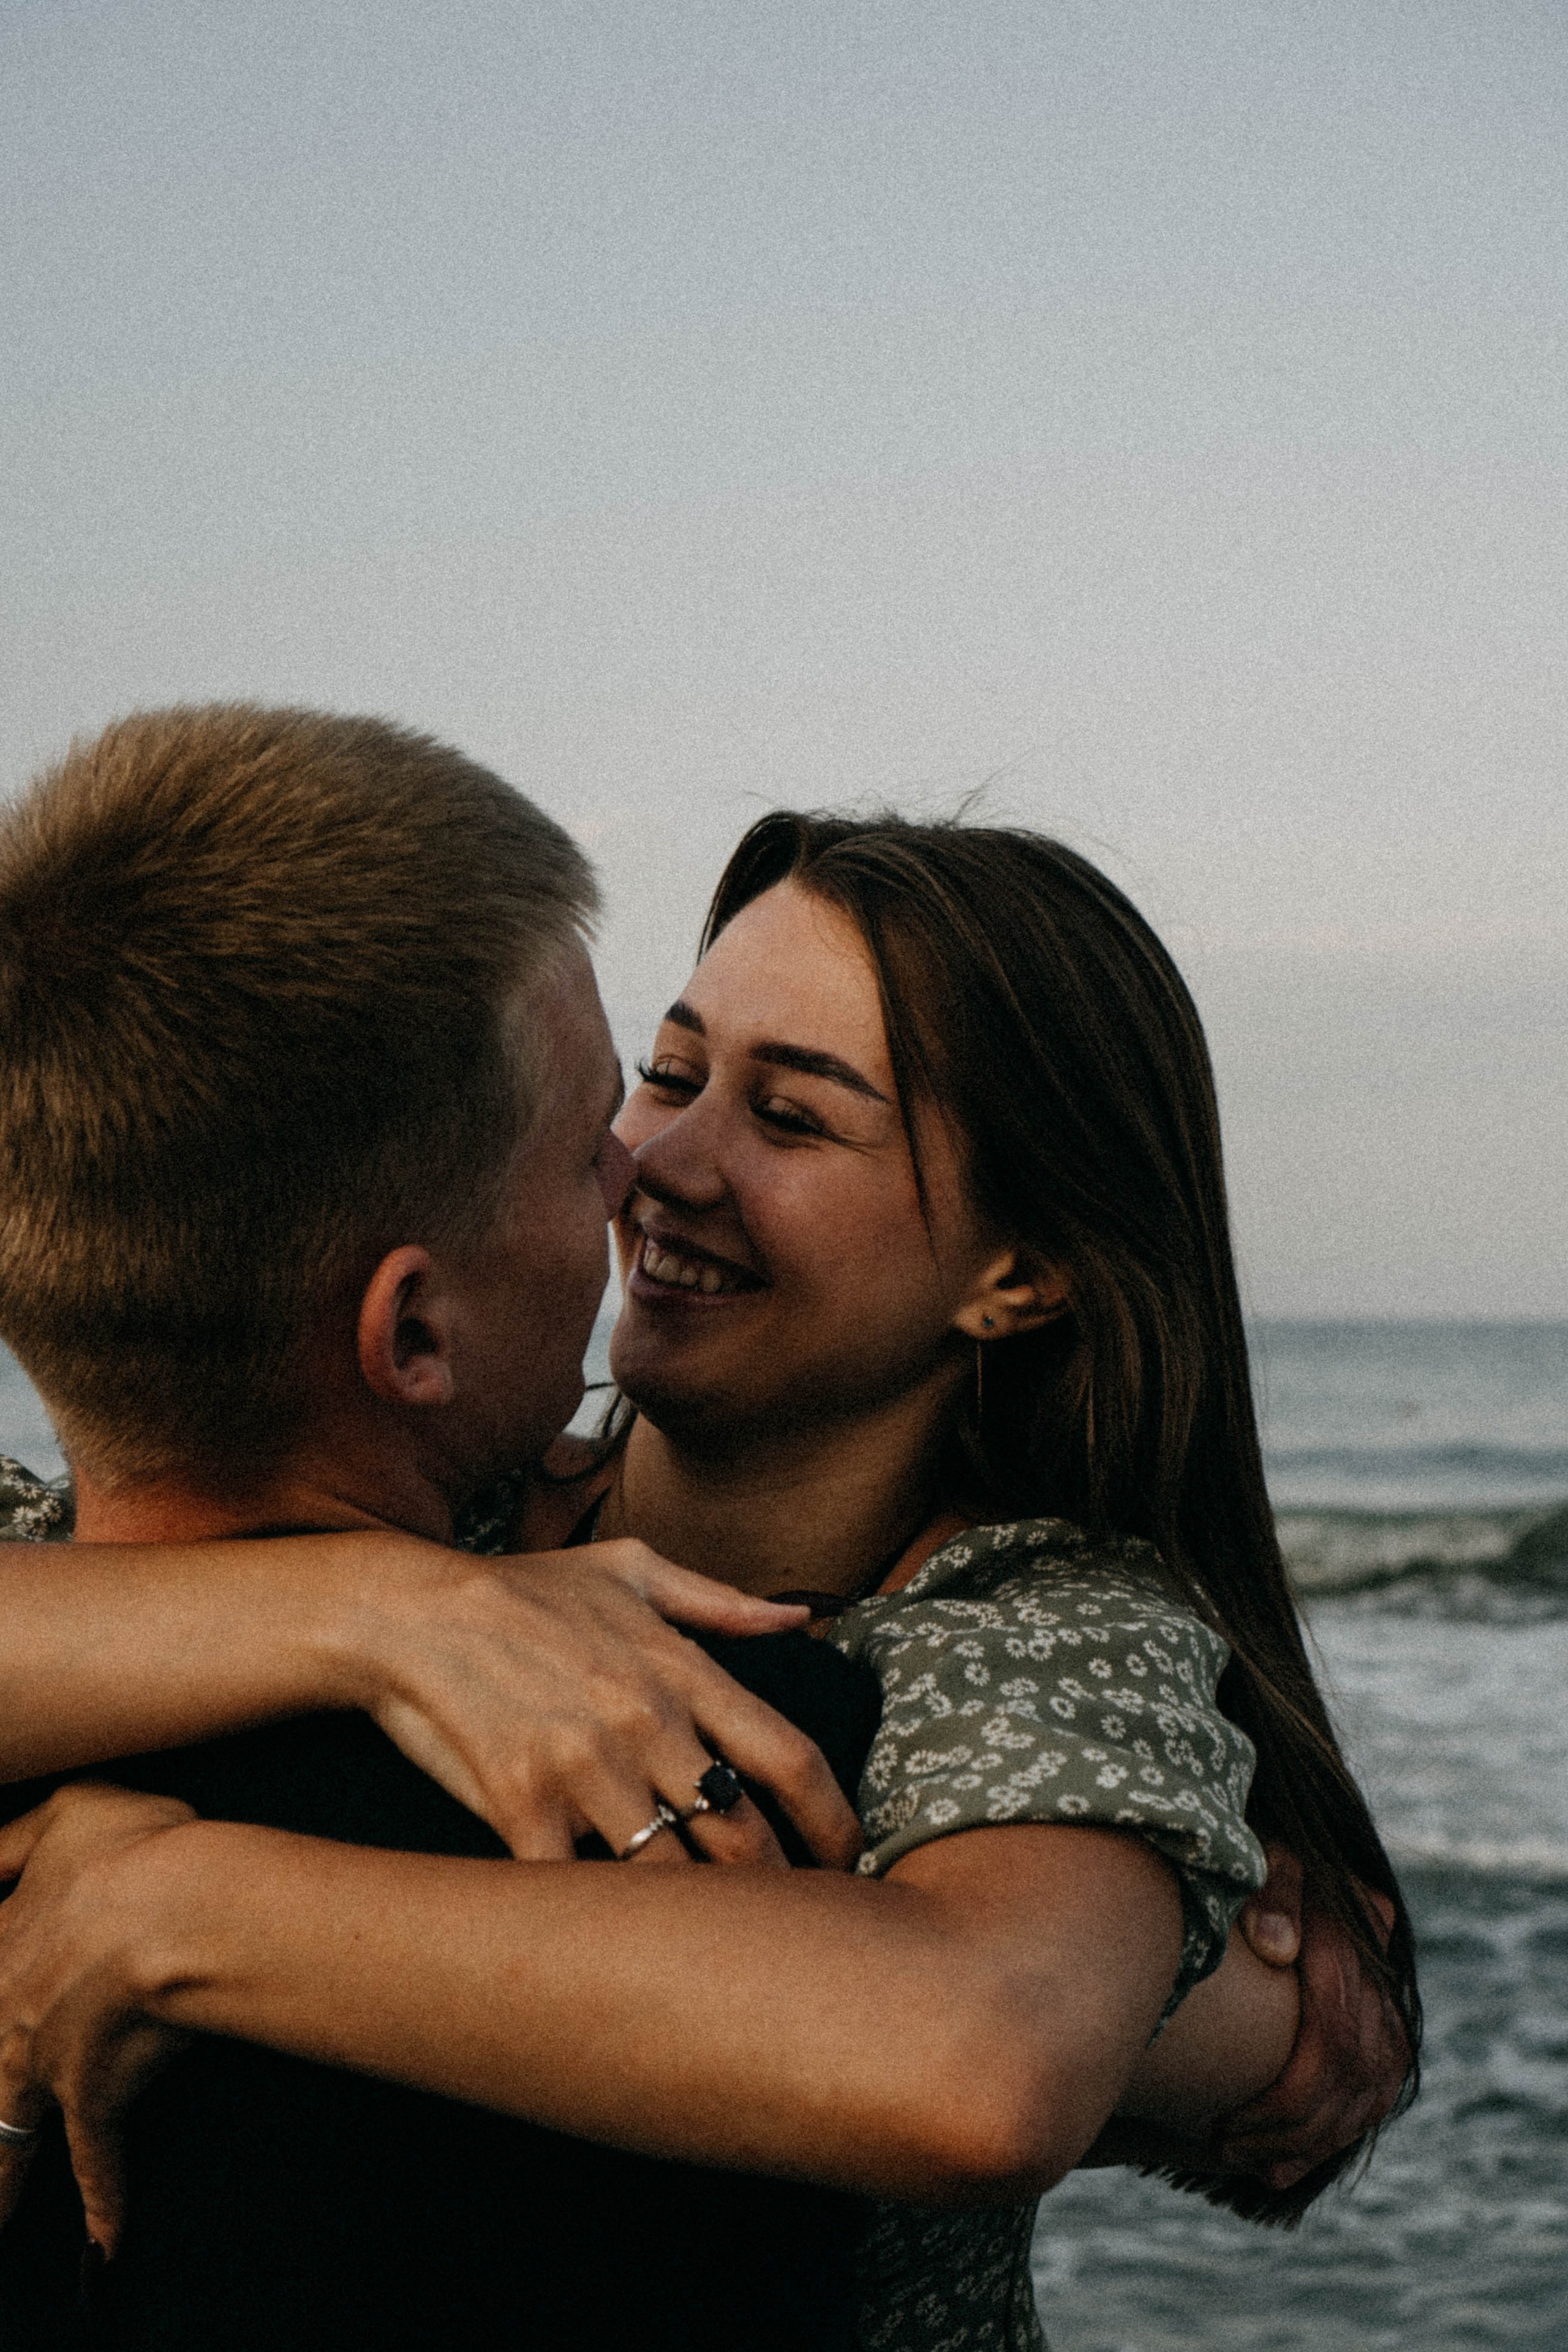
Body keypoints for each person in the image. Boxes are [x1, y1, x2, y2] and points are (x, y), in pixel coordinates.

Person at [0, 722, 1416, 2349]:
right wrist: (376, 1612)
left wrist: (179, 1907)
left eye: (795, 1120)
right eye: (664, 1077)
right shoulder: (429, 1498)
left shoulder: (1020, 1632)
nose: (658, 1165)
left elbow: (986, 2056)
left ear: (1018, 1271)